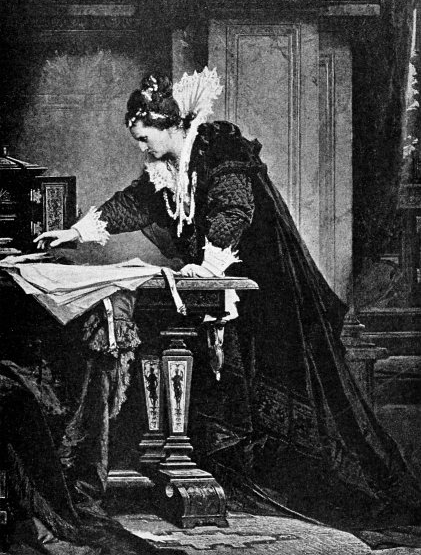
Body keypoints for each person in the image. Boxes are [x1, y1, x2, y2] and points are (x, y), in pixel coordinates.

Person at [28, 68, 421, 539]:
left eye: (144, 136)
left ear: (169, 125)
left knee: (279, 369)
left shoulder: (220, 151)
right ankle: (213, 469)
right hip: (224, 280)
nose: (141, 147)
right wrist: (73, 233)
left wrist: (211, 266)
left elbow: (234, 211)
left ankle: (284, 476)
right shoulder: (167, 168)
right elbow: (133, 203)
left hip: (266, 283)